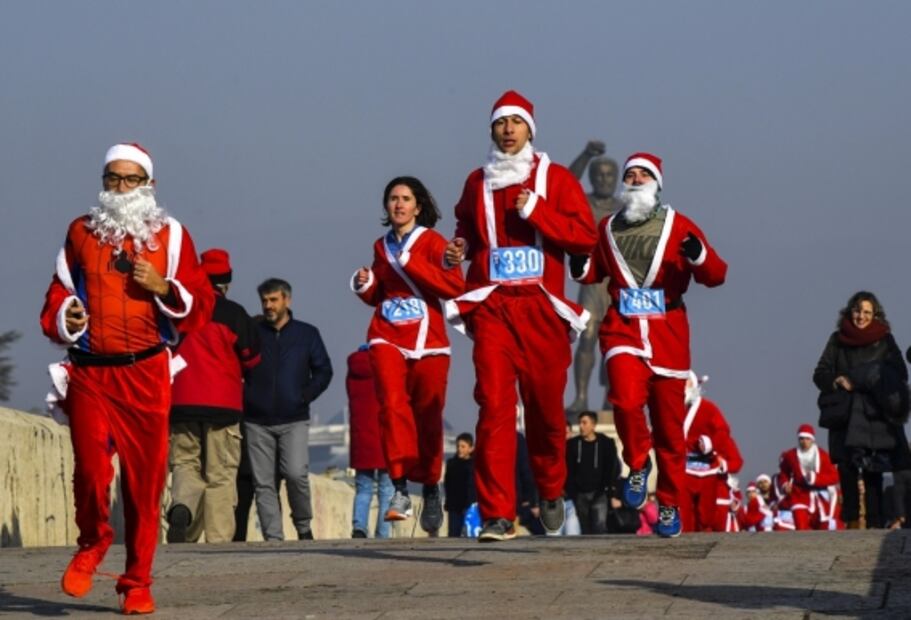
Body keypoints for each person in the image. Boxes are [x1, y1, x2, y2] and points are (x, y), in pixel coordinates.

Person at [40, 143, 214, 614]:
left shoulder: (172, 237)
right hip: (91, 372)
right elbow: (57, 294)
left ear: (149, 186)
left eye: (130, 179)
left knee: (144, 482)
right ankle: (93, 540)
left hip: (146, 371)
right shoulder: (80, 232)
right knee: (92, 471)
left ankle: (137, 581)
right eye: (112, 178)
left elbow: (200, 303)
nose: (120, 187)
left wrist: (163, 288)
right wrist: (66, 315)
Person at [444, 90, 597, 541]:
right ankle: (496, 513)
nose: (507, 130)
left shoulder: (556, 180)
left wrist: (537, 212)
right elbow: (466, 230)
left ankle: (550, 489)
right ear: (491, 131)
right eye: (500, 123)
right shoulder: (477, 182)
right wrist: (461, 249)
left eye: (516, 122)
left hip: (541, 309)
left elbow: (584, 238)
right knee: (492, 406)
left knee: (546, 411)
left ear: (531, 130)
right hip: (492, 307)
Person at [572, 152, 727, 537]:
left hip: (668, 334)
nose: (636, 178)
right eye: (631, 174)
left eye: (644, 174)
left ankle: (670, 505)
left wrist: (699, 256)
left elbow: (716, 274)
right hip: (623, 327)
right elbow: (593, 269)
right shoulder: (607, 228)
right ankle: (638, 463)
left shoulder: (678, 225)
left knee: (670, 432)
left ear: (656, 183)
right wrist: (577, 262)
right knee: (623, 399)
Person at [352, 176, 464, 533]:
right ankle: (399, 485)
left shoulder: (434, 242)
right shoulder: (380, 246)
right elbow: (379, 292)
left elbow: (454, 286)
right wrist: (365, 285)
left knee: (428, 416)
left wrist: (415, 264)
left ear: (418, 206)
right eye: (393, 199)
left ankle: (431, 487)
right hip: (386, 334)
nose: (398, 205)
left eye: (405, 199)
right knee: (391, 404)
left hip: (429, 341)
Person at [167, 248, 261, 544]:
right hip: (223, 405)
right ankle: (218, 542)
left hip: (180, 402)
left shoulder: (178, 312)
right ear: (226, 283)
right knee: (220, 475)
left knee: (185, 464)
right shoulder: (234, 314)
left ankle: (182, 507)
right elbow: (252, 358)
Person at [243, 278, 333, 540]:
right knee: (264, 484)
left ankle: (303, 526)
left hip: (294, 418)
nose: (268, 305)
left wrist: (305, 395)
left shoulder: (307, 334)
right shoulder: (254, 332)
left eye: (273, 300)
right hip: (256, 419)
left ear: (287, 300)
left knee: (296, 474)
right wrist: (245, 396)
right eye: (264, 301)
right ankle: (274, 538)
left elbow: (324, 370)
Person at [813, 291, 911, 528]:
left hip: (875, 416)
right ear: (850, 311)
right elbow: (820, 374)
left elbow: (901, 373)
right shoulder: (837, 340)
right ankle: (852, 523)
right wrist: (837, 380)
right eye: (857, 311)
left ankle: (875, 527)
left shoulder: (885, 340)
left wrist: (871, 378)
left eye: (867, 312)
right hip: (846, 416)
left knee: (874, 472)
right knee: (847, 470)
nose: (861, 316)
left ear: (875, 315)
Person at [566, 141, 622, 414]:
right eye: (598, 174)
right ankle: (581, 398)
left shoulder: (624, 208)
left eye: (610, 174)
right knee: (587, 337)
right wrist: (586, 154)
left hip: (616, 283)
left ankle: (611, 399)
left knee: (614, 342)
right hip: (591, 280)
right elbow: (564, 184)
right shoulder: (583, 203)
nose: (604, 179)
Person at [681, 373, 743, 532]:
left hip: (708, 472)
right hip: (684, 470)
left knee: (705, 517)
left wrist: (711, 446)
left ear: (694, 385)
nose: (681, 386)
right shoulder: (672, 409)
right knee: (684, 513)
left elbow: (723, 431)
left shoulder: (709, 409)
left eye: (685, 382)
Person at [346, 345, 394, 539]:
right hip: (385, 438)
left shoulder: (353, 371)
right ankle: (383, 533)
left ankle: (359, 527)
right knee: (386, 490)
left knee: (363, 488)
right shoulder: (387, 369)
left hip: (361, 440)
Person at [564, 411, 622, 534]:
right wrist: (572, 490)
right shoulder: (573, 444)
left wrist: (608, 488)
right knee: (584, 527)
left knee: (600, 525)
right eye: (580, 423)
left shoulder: (606, 443)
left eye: (584, 423)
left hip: (599, 493)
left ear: (593, 425)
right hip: (580, 494)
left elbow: (612, 467)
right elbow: (569, 468)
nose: (581, 426)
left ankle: (600, 551)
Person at [775, 424, 842, 530]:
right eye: (801, 439)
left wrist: (816, 479)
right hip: (799, 495)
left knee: (824, 526)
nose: (804, 442)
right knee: (801, 526)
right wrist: (784, 485)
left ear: (812, 440)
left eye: (807, 439)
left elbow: (834, 476)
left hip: (820, 497)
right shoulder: (790, 455)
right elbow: (783, 473)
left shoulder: (822, 455)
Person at [443, 433, 476, 537]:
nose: (459, 449)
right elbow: (447, 484)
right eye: (458, 446)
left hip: (470, 505)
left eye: (463, 446)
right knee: (453, 534)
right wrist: (448, 502)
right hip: (454, 506)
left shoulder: (475, 464)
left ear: (471, 448)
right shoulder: (451, 463)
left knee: (471, 534)